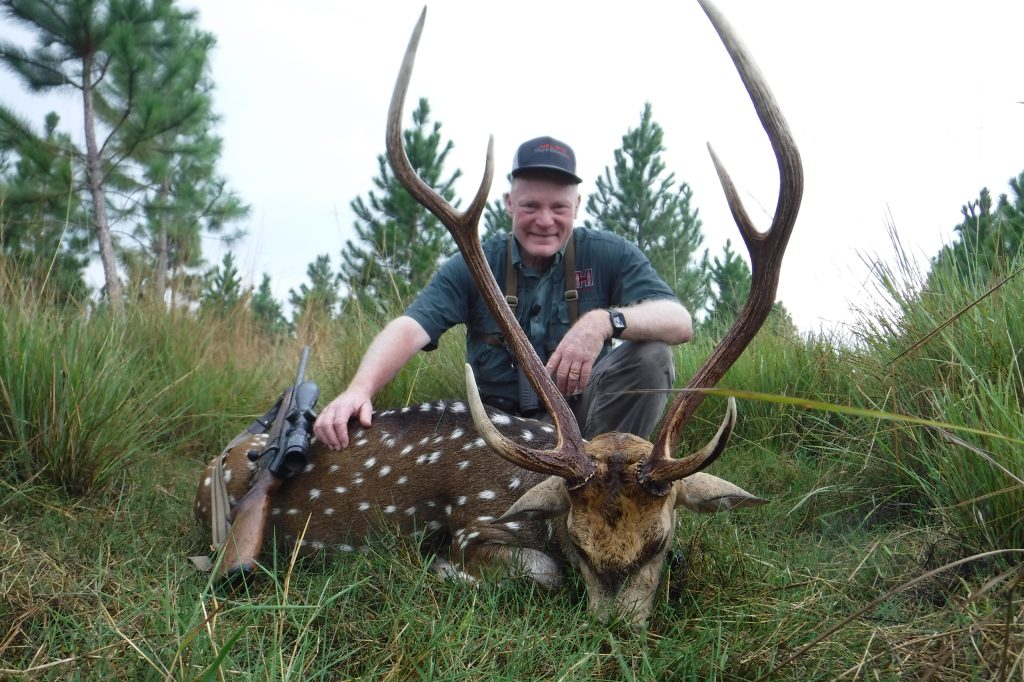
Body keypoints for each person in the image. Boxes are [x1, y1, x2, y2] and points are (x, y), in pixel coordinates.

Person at [314, 135, 692, 451]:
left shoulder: (609, 253)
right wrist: (358, 390)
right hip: (500, 432)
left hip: (590, 426)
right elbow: (412, 326)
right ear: (509, 204)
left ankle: (610, 477)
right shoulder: (474, 262)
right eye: (530, 206)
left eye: (558, 207)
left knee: (651, 355)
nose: (545, 220)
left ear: (577, 205)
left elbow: (679, 322)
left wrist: (603, 321)